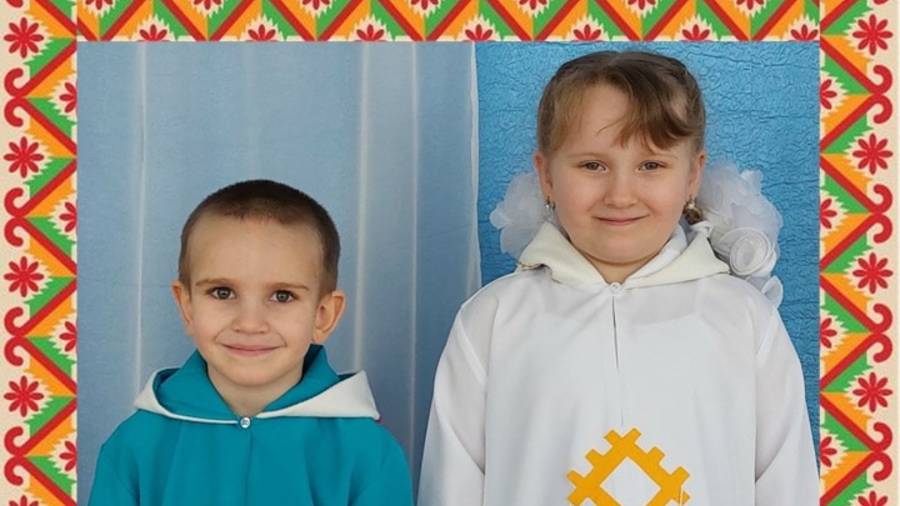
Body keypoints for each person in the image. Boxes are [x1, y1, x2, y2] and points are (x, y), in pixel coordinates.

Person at [418, 51, 818, 505]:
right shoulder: (491, 320)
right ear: (546, 176)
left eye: (651, 165)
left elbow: (788, 484)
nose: (621, 195)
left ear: (693, 174)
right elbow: (451, 487)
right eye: (593, 165)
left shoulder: (744, 320)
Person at [89, 179, 413, 505]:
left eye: (282, 296)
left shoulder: (369, 455)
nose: (249, 323)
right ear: (187, 306)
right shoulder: (134, 446)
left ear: (323, 315)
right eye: (222, 292)